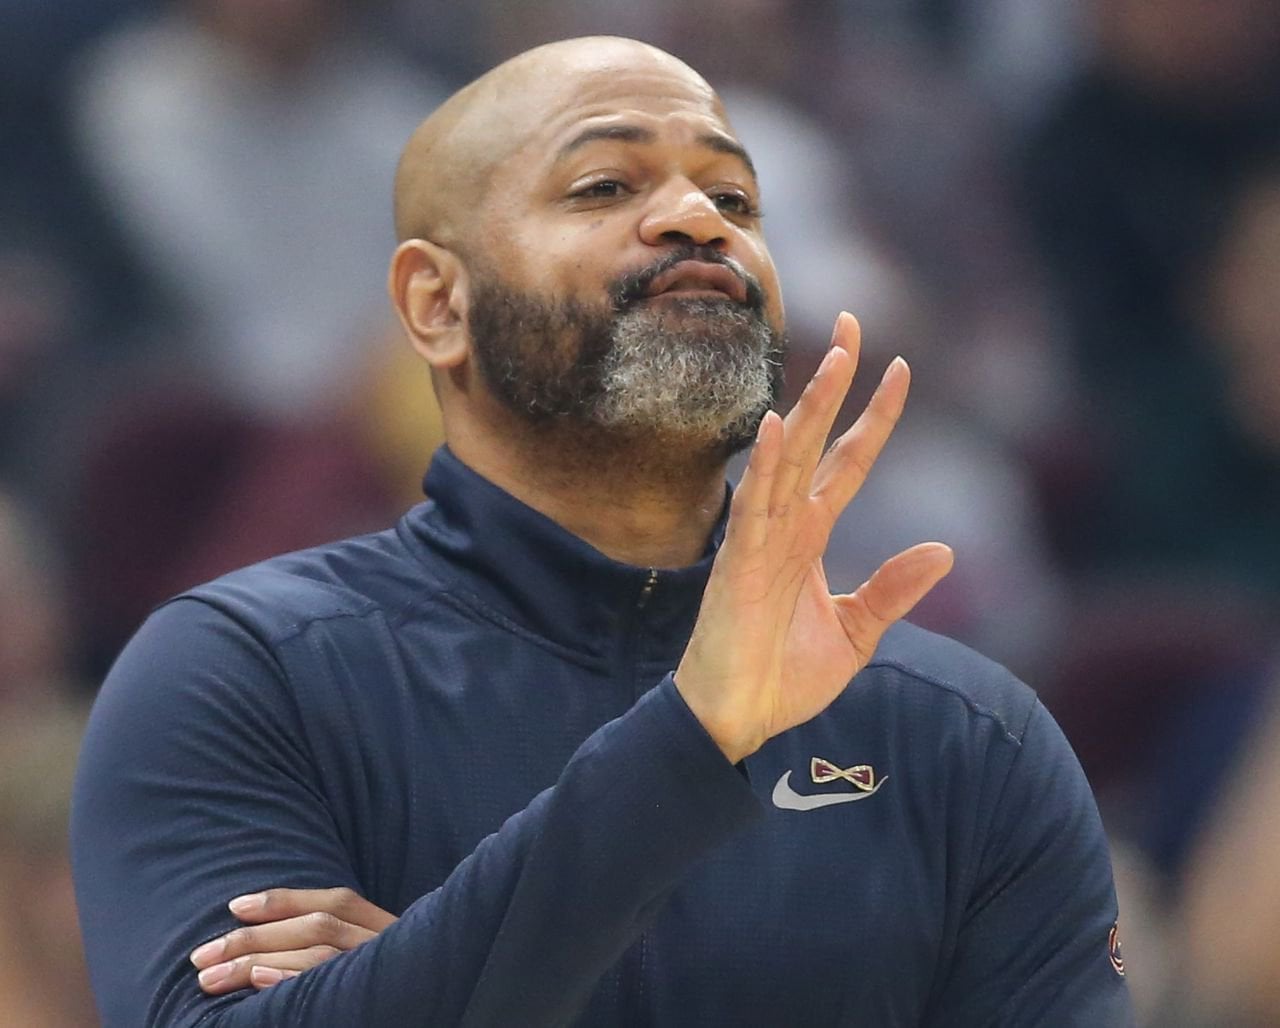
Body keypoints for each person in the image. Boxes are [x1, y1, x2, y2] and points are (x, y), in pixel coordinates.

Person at [71, 36, 1132, 1026]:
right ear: (437, 303)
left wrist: (421, 977)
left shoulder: (964, 734)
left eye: (734, 197)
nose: (699, 219)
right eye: (604, 187)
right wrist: (690, 736)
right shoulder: (244, 674)